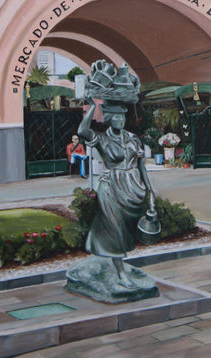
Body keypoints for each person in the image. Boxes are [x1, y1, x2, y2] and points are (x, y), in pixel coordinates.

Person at [78, 96, 155, 288]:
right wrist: (92, 107)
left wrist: (150, 191)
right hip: (111, 186)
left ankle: (108, 262)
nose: (121, 121)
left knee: (125, 231)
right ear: (109, 118)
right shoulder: (102, 138)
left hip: (134, 187)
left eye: (123, 117)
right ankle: (121, 274)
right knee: (114, 228)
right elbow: (82, 131)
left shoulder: (132, 138)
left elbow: (141, 165)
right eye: (117, 117)